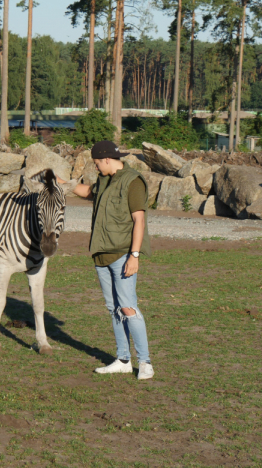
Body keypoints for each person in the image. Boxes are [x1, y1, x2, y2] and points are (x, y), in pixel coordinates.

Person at [64, 140, 154, 380]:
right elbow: (86, 192)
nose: (95, 168)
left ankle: (145, 362)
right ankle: (123, 359)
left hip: (123, 255)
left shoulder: (132, 181)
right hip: (101, 255)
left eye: (95, 163)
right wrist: (62, 184)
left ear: (105, 159)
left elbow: (139, 220)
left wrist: (134, 256)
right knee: (113, 308)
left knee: (128, 307)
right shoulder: (104, 180)